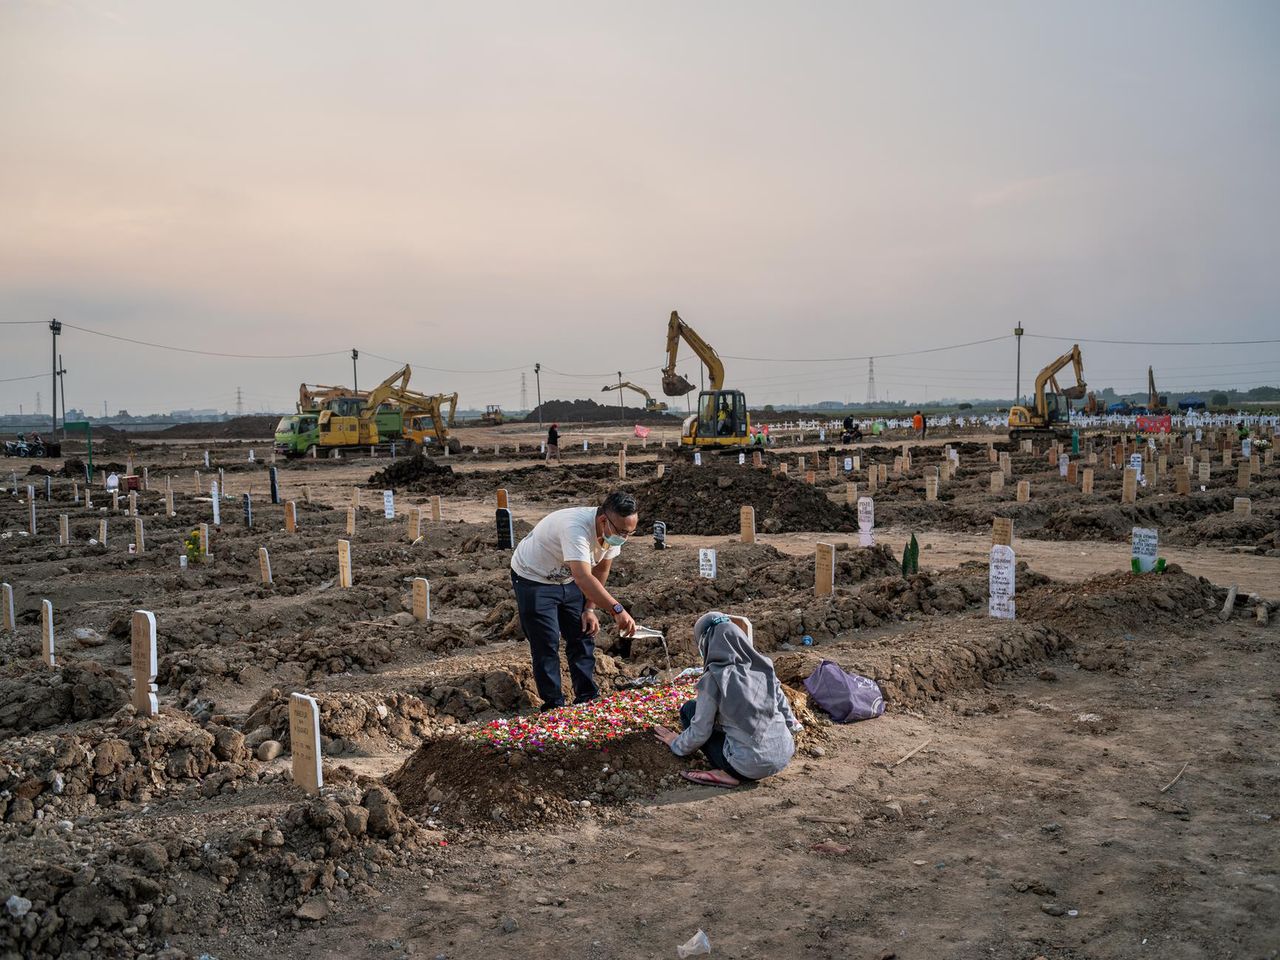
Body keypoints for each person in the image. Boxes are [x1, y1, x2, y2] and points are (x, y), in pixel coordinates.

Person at [510, 492, 639, 709]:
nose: (624, 538)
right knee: (546, 641)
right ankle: (553, 704)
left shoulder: (614, 532)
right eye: (622, 532)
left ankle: (587, 697)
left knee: (582, 633)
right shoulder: (575, 528)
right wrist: (617, 609)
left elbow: (600, 570)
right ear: (603, 521)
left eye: (630, 533)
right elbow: (583, 577)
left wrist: (589, 608)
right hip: (533, 578)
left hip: (568, 576)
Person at [653, 612, 802, 787]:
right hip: (784, 753)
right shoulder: (764, 667)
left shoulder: (713, 679)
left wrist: (675, 743)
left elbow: (701, 731)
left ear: (706, 644)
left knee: (689, 709)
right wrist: (790, 731)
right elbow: (786, 712)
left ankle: (726, 773)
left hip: (748, 767)